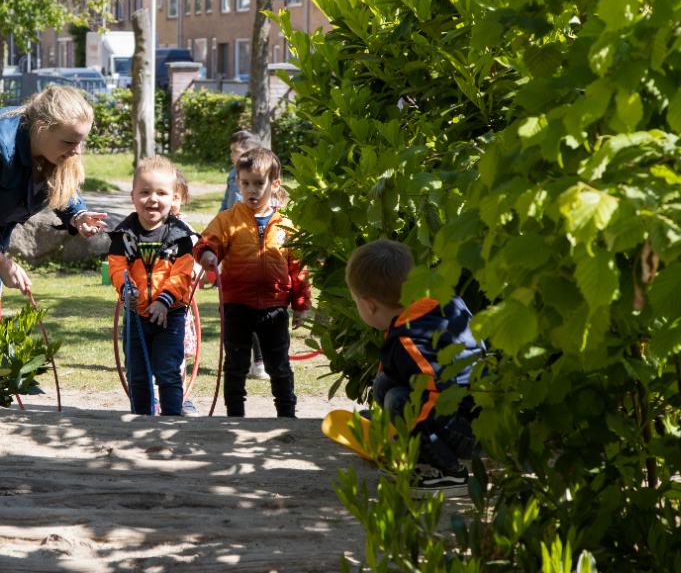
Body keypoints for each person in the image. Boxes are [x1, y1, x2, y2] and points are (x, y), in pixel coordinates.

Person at [0, 86, 109, 305]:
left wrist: (77, 214)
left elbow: (60, 185)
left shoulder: (51, 146)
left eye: (80, 142)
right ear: (41, 128)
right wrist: (2, 263)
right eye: (69, 142)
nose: (77, 151)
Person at [345, 238, 483, 498]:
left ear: (369, 305)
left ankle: (450, 473)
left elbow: (434, 396)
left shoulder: (409, 342)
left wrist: (398, 436)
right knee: (385, 385)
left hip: (472, 430)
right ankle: (421, 455)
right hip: (471, 409)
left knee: (400, 402)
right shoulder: (440, 303)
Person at [196, 148, 311, 418]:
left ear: (274, 185)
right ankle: (234, 416)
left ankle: (287, 416)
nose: (252, 190)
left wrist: (302, 303)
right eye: (245, 183)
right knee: (235, 365)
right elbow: (206, 241)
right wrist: (207, 253)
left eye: (259, 183)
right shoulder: (227, 219)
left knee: (279, 366)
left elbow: (299, 268)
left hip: (275, 307)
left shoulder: (288, 224)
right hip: (236, 305)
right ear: (237, 183)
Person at [108, 156, 198, 416]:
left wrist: (164, 300)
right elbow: (116, 267)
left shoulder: (180, 236)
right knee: (137, 373)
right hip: (136, 315)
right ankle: (142, 419)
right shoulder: (124, 234)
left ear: (174, 198)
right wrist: (126, 289)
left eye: (161, 192)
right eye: (145, 192)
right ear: (133, 195)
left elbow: (182, 275)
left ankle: (171, 419)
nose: (152, 199)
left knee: (168, 372)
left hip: (170, 316)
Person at [218, 130, 268, 380]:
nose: (231, 156)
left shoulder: (258, 179)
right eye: (231, 152)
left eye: (235, 152)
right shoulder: (232, 175)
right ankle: (246, 361)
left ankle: (259, 362)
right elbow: (225, 207)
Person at [171, 169, 199, 417]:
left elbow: (196, 263)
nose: (165, 202)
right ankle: (150, 397)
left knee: (178, 355)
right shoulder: (138, 228)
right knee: (146, 354)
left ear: (181, 199)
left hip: (178, 306)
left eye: (173, 196)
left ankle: (181, 398)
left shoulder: (185, 229)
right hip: (145, 306)